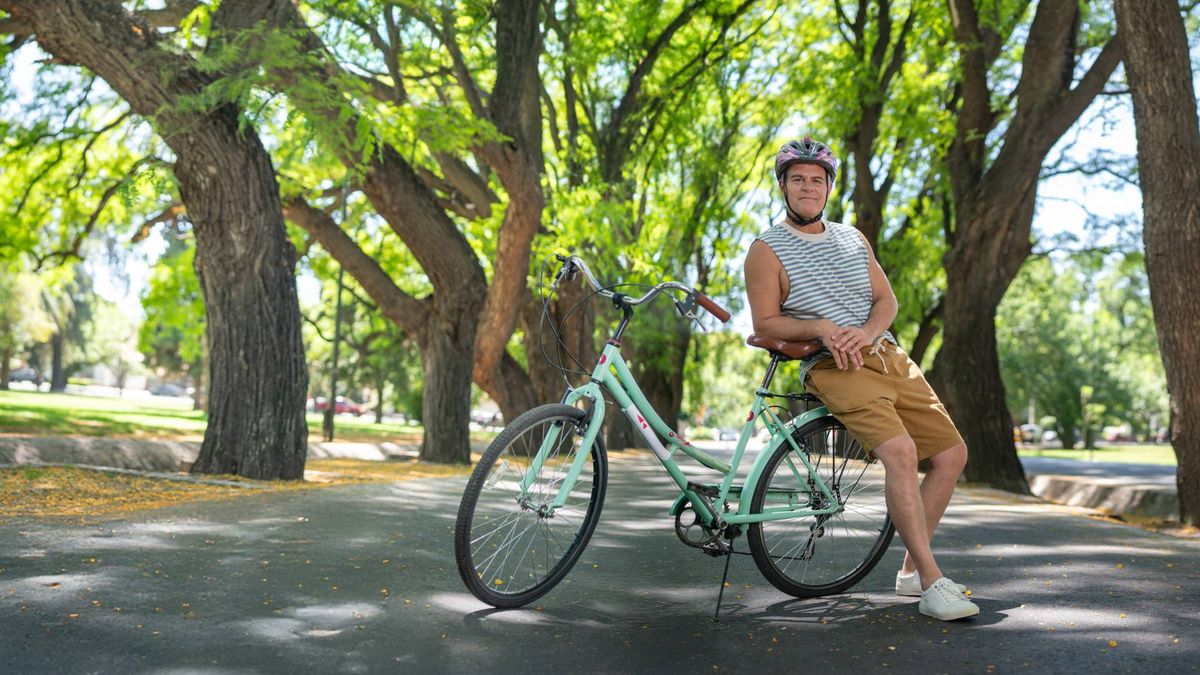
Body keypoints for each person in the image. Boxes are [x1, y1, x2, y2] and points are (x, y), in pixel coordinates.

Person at [743, 137, 978, 621]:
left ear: (828, 187)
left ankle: (913, 570)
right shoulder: (766, 250)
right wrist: (823, 328)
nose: (807, 187)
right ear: (783, 187)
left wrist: (869, 334)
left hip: (887, 354)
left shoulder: (853, 238)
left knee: (952, 455)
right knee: (901, 453)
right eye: (797, 179)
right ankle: (935, 584)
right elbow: (765, 324)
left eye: (816, 179)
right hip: (835, 366)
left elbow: (885, 301)